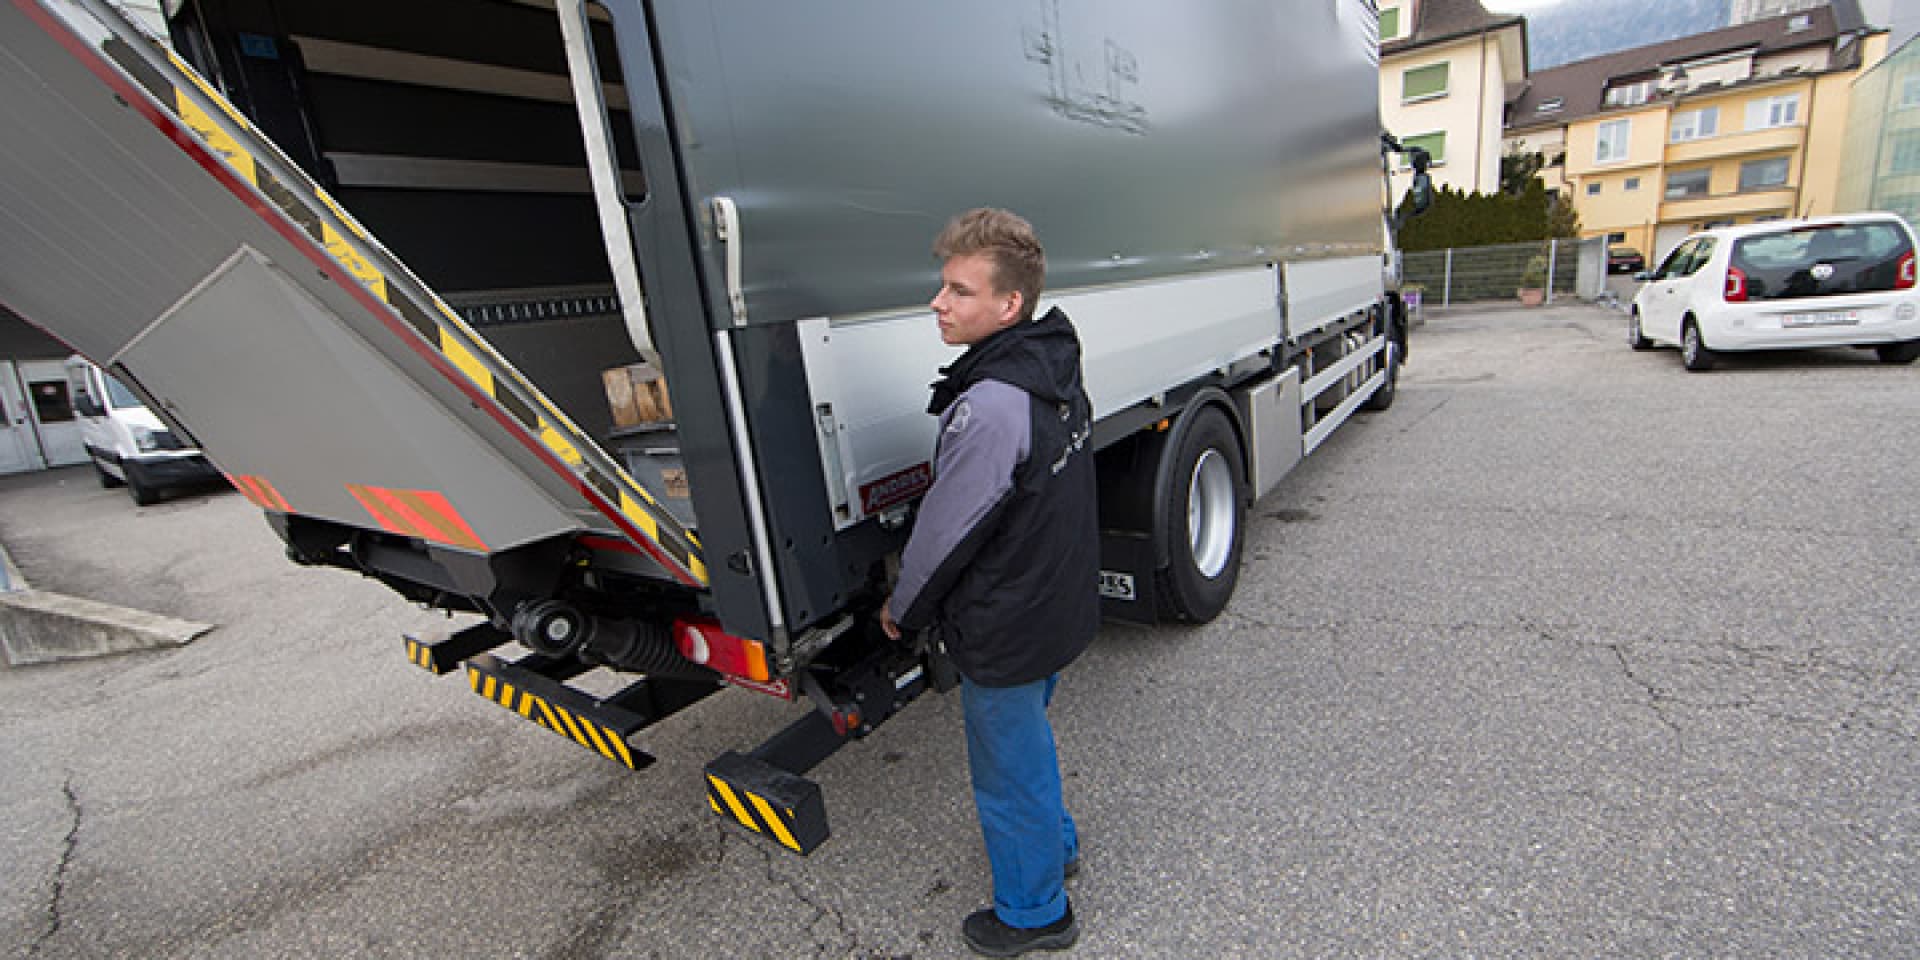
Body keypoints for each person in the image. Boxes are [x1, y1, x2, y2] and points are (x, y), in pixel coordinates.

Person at [879, 208, 1099, 957]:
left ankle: (1036, 913)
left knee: (1009, 774)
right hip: (1051, 602)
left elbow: (947, 533)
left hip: (1006, 621)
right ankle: (1057, 845)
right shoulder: (1051, 366)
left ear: (1009, 306)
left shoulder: (993, 404)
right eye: (942, 287)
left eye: (959, 291)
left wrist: (902, 611)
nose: (938, 303)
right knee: (1029, 744)